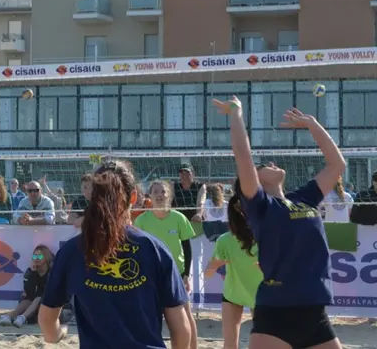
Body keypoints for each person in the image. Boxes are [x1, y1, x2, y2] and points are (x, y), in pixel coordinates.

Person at [213, 97, 346, 349]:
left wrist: (312, 124)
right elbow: (243, 156)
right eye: (263, 166)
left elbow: (337, 164)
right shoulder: (261, 206)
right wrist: (236, 114)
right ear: (252, 182)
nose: (271, 163)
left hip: (314, 313)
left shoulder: (304, 198)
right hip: (276, 314)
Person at [38, 161, 191, 348]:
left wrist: (57, 335)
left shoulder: (72, 250)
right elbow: (181, 329)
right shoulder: (155, 249)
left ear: (92, 196)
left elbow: (46, 320)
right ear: (133, 197)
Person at [134, 180, 198, 348]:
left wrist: (186, 275)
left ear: (169, 195)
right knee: (151, 317)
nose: (159, 195)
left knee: (185, 315)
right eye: (155, 192)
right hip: (149, 275)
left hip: (176, 274)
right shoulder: (141, 220)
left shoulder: (179, 218)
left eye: (163, 192)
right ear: (150, 196)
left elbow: (187, 249)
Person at [205, 191, 263, 349]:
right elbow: (208, 273)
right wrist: (217, 265)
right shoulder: (226, 240)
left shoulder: (226, 240)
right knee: (239, 344)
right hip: (243, 295)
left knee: (240, 344)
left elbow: (208, 273)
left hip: (249, 295)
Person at [0, 244, 53, 328]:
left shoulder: (52, 271)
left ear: (46, 257)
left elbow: (50, 290)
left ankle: (22, 318)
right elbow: (28, 291)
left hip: (49, 301)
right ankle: (8, 316)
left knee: (38, 298)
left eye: (39, 257)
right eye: (34, 257)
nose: (36, 259)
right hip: (35, 301)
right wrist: (32, 274)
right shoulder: (31, 271)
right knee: (27, 299)